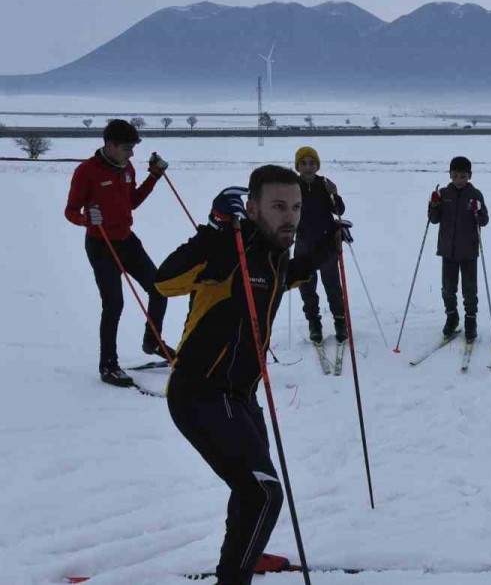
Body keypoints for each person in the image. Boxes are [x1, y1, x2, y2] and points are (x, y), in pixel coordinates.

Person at [156, 165, 346, 584]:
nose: (290, 217)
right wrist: (216, 230)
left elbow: (288, 277)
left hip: (240, 394)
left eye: (295, 207)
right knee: (263, 493)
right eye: (278, 206)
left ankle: (245, 551)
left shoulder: (272, 256)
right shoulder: (227, 250)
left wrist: (326, 249)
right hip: (200, 393)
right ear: (253, 207)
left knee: (250, 489)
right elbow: (164, 281)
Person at [64, 118, 172, 387]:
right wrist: (86, 218)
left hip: (127, 240)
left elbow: (131, 202)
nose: (131, 153)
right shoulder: (86, 172)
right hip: (101, 245)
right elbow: (70, 211)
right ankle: (108, 365)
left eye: (134, 147)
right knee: (114, 304)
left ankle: (153, 341)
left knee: (160, 287)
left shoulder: (127, 168)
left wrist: (154, 177)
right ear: (109, 145)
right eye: (127, 147)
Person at [428, 156, 489, 341]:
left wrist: (477, 210)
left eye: (462, 176)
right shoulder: (444, 193)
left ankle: (471, 321)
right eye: (455, 176)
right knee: (448, 288)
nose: (458, 180)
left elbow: (484, 221)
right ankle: (451, 317)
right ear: (450, 175)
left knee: (469, 290)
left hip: (469, 250)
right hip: (448, 250)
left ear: (469, 176)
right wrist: (433, 204)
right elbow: (434, 219)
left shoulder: (475, 194)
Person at [294, 146, 348, 346]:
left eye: (312, 163)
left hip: (326, 244)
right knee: (306, 286)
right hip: (302, 244)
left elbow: (339, 209)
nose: (308, 167)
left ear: (317, 165)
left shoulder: (324, 184)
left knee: (333, 285)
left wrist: (335, 194)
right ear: (298, 166)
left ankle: (340, 322)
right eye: (304, 163)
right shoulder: (292, 186)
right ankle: (314, 323)